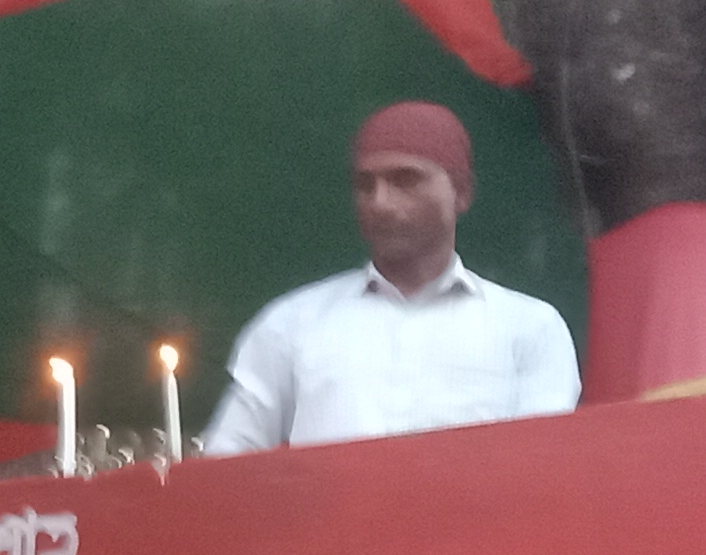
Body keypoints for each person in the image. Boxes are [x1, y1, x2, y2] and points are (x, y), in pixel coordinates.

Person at [194, 101, 583, 457]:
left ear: (461, 193)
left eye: (405, 180)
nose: (379, 203)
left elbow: (542, 468)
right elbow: (225, 466)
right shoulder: (291, 325)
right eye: (366, 185)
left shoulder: (529, 329)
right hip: (326, 517)